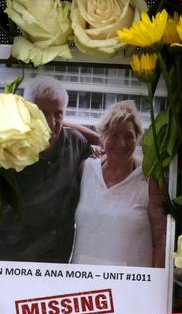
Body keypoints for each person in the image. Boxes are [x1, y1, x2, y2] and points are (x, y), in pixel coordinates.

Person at [0, 76, 96, 263]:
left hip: (54, 265)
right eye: (42, 113)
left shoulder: (77, 144)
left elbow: (113, 152)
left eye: (58, 114)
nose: (51, 123)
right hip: (5, 261)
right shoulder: (5, 145)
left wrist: (98, 140)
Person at [70, 101, 167, 267]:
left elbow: (161, 240)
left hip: (129, 287)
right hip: (84, 286)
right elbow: (56, 126)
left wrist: (156, 286)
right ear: (103, 136)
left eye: (129, 136)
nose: (121, 143)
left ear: (137, 138)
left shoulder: (149, 180)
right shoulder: (86, 169)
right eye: (113, 135)